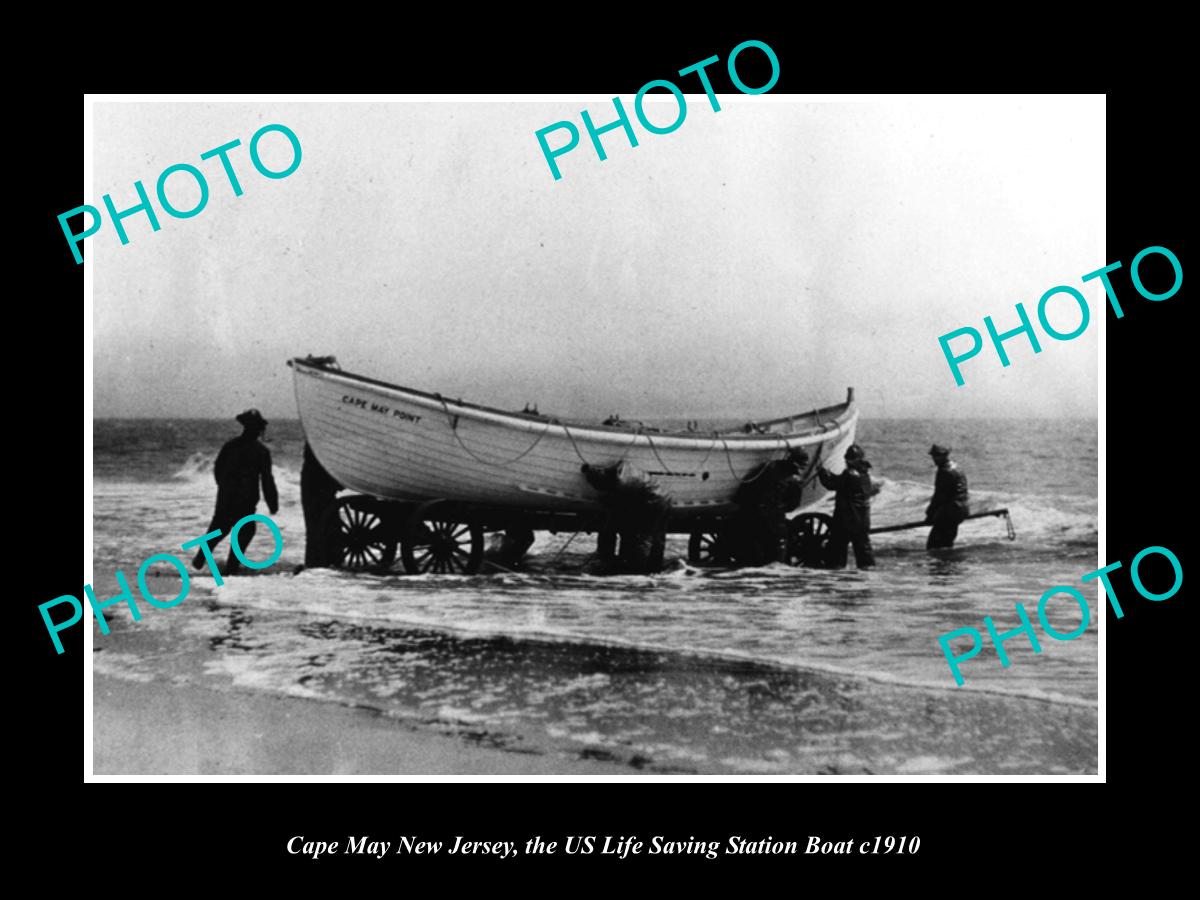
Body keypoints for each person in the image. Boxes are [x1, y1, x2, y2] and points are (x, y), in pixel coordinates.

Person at [193, 409, 279, 574]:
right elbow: (267, 480)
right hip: (246, 499)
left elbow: (218, 469)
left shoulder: (230, 446)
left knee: (220, 527)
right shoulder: (261, 451)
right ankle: (232, 565)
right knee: (246, 531)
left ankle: (201, 557)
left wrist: (224, 488)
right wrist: (272, 502)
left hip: (227, 497)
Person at [733, 447, 810, 565]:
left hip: (749, 514)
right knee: (776, 556)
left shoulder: (769, 467)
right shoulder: (793, 480)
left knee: (752, 554)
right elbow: (792, 505)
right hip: (773, 519)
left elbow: (745, 491)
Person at [816, 444, 876, 569]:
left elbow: (832, 483)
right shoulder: (865, 475)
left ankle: (836, 576)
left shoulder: (849, 474)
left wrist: (820, 471)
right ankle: (867, 579)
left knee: (836, 555)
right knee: (865, 554)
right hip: (862, 521)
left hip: (846, 521)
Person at [300, 441, 343, 568]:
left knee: (316, 529)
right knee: (323, 527)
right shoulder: (319, 449)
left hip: (314, 487)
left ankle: (317, 564)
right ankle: (322, 563)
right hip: (319, 488)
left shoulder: (315, 445)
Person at [925, 444, 970, 549]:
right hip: (961, 510)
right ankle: (950, 564)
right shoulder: (958, 468)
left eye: (936, 456)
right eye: (933, 456)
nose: (934, 459)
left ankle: (944, 564)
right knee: (947, 544)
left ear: (944, 456)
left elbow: (939, 497)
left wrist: (930, 514)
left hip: (948, 513)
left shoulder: (944, 471)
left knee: (933, 546)